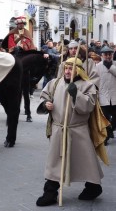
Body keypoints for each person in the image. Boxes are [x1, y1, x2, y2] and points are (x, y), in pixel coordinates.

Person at [36, 57, 105, 206]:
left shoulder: (87, 86)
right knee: (55, 162)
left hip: (78, 130)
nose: (67, 71)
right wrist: (45, 104)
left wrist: (76, 95)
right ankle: (50, 192)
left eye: (71, 68)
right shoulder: (55, 83)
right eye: (66, 68)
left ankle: (93, 187)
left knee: (85, 161)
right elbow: (45, 97)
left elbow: (88, 106)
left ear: (78, 70)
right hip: (59, 129)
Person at [96, 46, 116, 145]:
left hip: (114, 96)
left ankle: (112, 128)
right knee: (105, 118)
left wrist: (110, 67)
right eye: (106, 54)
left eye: (110, 54)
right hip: (103, 96)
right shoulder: (98, 66)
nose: (108, 56)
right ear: (102, 55)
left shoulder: (115, 64)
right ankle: (106, 136)